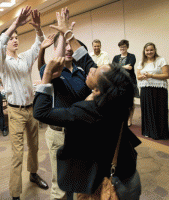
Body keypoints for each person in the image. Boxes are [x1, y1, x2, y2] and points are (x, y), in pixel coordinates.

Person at [40, 8, 142, 199]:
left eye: (96, 72)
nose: (92, 69)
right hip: (131, 177)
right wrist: (68, 34)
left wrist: (46, 76)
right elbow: (87, 60)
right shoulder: (117, 100)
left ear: (99, 89)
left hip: (117, 187)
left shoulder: (90, 110)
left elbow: (42, 113)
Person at [0, 6, 48, 200]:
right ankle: (15, 194)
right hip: (15, 112)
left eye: (16, 37)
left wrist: (38, 29)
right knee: (17, 154)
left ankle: (33, 175)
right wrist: (14, 24)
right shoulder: (3, 63)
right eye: (11, 38)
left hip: (31, 109)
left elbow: (39, 44)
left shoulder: (25, 57)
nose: (15, 39)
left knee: (34, 147)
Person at [38, 30, 94, 200]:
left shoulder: (83, 72)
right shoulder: (52, 72)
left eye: (71, 44)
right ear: (56, 49)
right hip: (59, 135)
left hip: (81, 133)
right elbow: (45, 70)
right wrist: (60, 36)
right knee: (61, 186)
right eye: (64, 45)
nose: (69, 49)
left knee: (80, 180)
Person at [136, 43, 169, 140]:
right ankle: (148, 131)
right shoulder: (142, 62)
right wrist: (142, 77)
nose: (149, 52)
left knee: (159, 111)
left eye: (151, 50)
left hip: (159, 90)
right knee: (148, 111)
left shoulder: (161, 60)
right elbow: (138, 76)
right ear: (144, 51)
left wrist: (151, 76)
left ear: (155, 50)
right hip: (145, 90)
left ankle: (160, 133)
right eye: (147, 50)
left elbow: (166, 75)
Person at [112, 39, 138, 127]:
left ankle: (130, 119)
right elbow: (113, 67)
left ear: (127, 47)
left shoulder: (132, 56)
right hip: (119, 81)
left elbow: (130, 68)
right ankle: (122, 118)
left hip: (130, 81)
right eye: (121, 47)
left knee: (131, 101)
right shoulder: (116, 57)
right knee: (120, 101)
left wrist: (119, 66)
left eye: (124, 46)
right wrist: (124, 66)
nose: (122, 48)